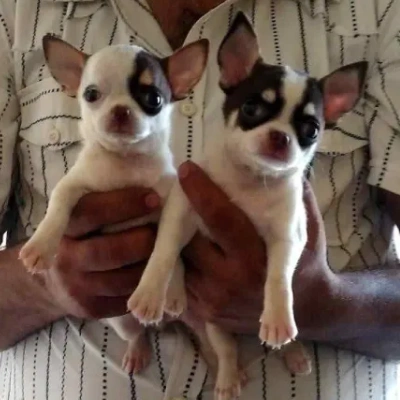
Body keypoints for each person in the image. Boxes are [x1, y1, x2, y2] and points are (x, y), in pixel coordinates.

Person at [0, 0, 399, 398]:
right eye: (255, 109)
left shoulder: (380, 12)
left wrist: (324, 303)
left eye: (308, 128)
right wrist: (42, 286)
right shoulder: (16, 14)